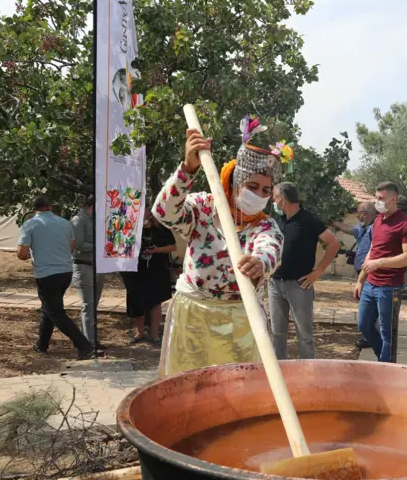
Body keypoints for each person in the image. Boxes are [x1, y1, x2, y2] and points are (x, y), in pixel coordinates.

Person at [152, 116, 285, 376]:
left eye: (266, 190)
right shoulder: (203, 207)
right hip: (193, 316)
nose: (259, 196)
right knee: (188, 388)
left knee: (239, 388)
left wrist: (259, 263)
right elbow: (163, 212)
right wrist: (188, 168)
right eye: (252, 186)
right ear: (234, 183)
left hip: (241, 321)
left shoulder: (266, 226)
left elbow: (270, 250)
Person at [269, 182, 340, 359]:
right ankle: (279, 372)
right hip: (275, 284)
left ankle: (309, 374)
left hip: (300, 285)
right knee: (277, 333)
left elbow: (334, 244)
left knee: (304, 335)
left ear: (283, 199)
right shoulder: (278, 219)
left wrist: (318, 272)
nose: (273, 202)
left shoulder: (309, 220)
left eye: (275, 198)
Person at [17, 196, 95, 360]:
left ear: (33, 209)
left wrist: (33, 252)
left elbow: (22, 254)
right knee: (48, 309)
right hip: (66, 272)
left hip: (46, 274)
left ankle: (84, 346)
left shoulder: (29, 224)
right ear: (50, 207)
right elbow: (72, 246)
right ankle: (42, 344)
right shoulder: (65, 223)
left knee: (57, 313)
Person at [354, 182, 407, 363]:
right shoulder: (378, 221)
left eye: (381, 199)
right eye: (376, 198)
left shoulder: (406, 224)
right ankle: (386, 361)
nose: (377, 202)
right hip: (370, 285)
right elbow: (372, 250)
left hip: (390, 287)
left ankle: (385, 366)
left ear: (393, 199)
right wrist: (360, 280)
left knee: (387, 332)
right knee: (364, 325)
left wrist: (379, 263)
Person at [120, 210, 177, 345]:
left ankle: (155, 335)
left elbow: (173, 246)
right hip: (136, 270)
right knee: (136, 301)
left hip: (156, 270)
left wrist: (156, 250)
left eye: (144, 210)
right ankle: (139, 333)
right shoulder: (130, 227)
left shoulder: (161, 227)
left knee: (155, 301)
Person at [331, 202, 376, 349]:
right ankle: (368, 335)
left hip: (369, 272)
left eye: (358, 212)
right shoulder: (363, 228)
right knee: (366, 304)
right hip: (361, 272)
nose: (357, 215)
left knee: (369, 306)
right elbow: (349, 229)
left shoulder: (375, 228)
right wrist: (334, 223)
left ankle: (370, 338)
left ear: (365, 213)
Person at [71, 195, 103, 348]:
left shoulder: (94, 220)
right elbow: (78, 245)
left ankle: (90, 339)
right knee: (88, 306)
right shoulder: (78, 220)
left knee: (93, 306)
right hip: (83, 266)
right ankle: (89, 344)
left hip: (97, 265)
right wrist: (99, 244)